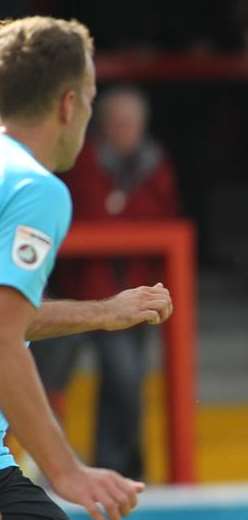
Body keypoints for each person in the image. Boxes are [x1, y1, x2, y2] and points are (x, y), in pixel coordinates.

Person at [0, 16, 174, 520]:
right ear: (69, 102)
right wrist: (67, 469)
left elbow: (9, 315)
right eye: (95, 96)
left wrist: (100, 313)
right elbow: (1, 334)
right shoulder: (37, 188)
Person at [36, 85, 181, 479]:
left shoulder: (156, 166)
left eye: (131, 123)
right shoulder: (78, 162)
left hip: (127, 298)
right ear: (102, 125)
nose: (125, 130)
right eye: (117, 123)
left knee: (126, 382)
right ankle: (42, 468)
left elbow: (165, 225)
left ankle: (117, 471)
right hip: (72, 294)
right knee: (43, 383)